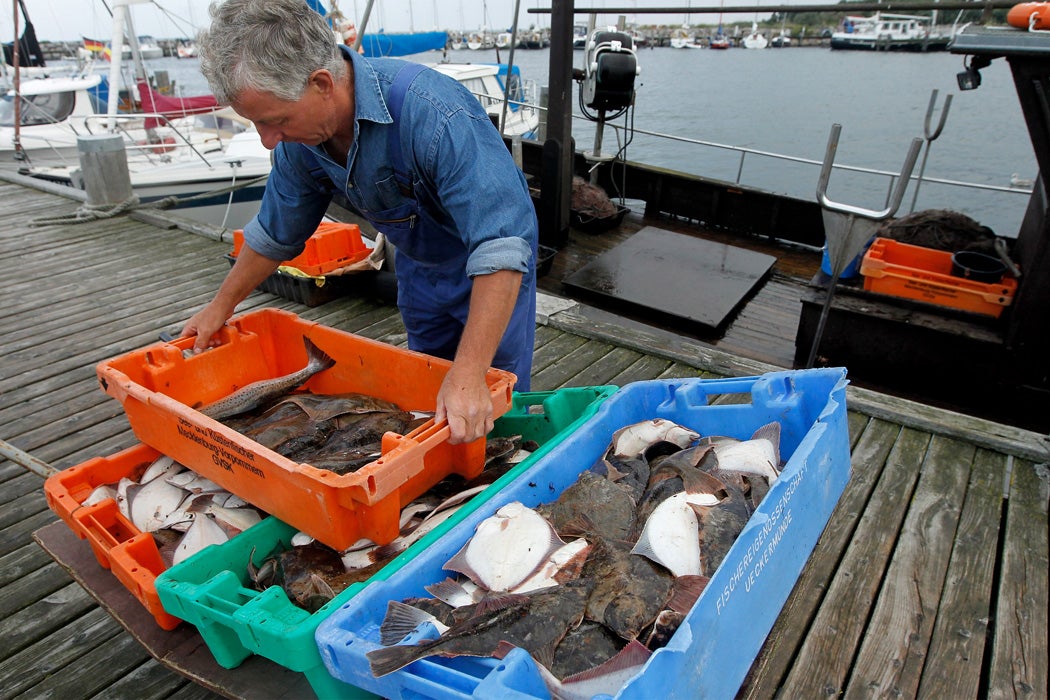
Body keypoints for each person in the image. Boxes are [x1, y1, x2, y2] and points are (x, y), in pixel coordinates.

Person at [181, 0, 538, 445]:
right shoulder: (299, 142)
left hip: (491, 277)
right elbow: (276, 233)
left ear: (322, 83)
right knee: (428, 391)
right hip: (416, 266)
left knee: (489, 399)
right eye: (256, 124)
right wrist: (220, 307)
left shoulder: (435, 115)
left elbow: (502, 247)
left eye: (275, 122)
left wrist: (469, 375)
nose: (268, 141)